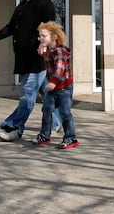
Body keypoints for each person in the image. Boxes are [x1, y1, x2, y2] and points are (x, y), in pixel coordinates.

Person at [0, 0, 60, 141]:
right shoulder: (21, 7)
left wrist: (43, 44)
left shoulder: (44, 3)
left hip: (37, 58)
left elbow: (50, 27)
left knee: (27, 94)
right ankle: (57, 120)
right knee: (47, 93)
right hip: (23, 58)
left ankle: (14, 126)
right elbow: (11, 27)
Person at [31, 21, 79, 149]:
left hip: (64, 88)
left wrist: (53, 81)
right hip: (54, 88)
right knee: (47, 109)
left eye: (44, 36)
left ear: (53, 36)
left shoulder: (59, 51)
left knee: (65, 113)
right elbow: (48, 59)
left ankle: (71, 138)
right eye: (40, 36)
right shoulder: (50, 50)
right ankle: (45, 135)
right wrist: (41, 52)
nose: (41, 38)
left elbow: (59, 68)